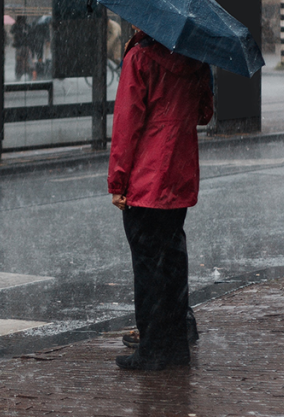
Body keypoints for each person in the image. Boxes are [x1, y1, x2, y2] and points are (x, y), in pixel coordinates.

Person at [108, 29, 214, 371]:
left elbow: (127, 125)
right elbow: (204, 113)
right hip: (179, 176)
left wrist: (118, 181)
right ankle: (175, 346)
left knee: (147, 266)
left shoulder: (139, 58)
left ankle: (152, 349)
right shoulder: (196, 59)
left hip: (146, 179)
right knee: (172, 263)